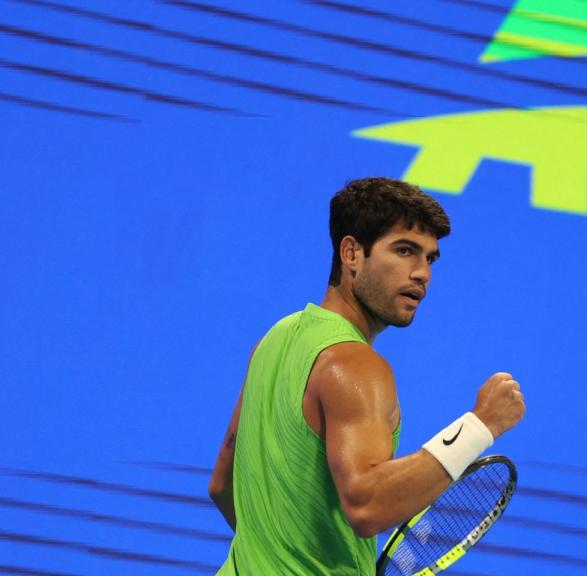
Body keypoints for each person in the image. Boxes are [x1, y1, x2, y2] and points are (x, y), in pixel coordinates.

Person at [207, 177, 526, 575]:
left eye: (430, 259)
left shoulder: (273, 341)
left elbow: (222, 487)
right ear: (352, 253)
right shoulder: (355, 365)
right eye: (405, 251)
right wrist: (482, 425)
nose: (422, 273)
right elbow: (367, 505)